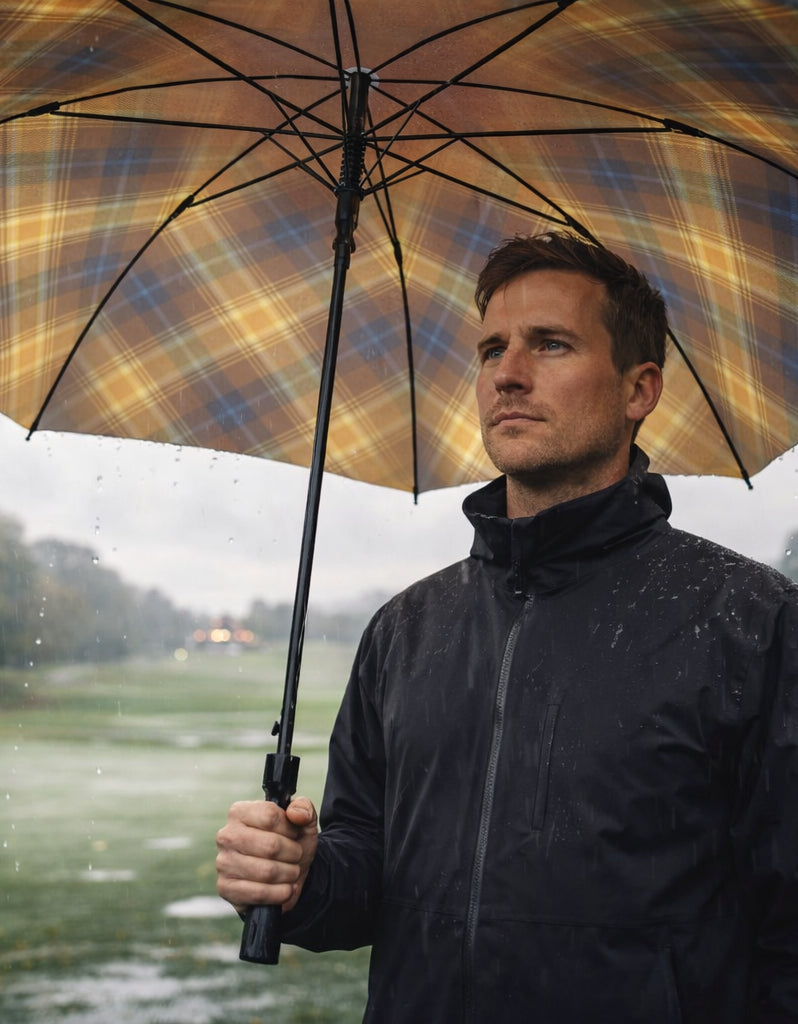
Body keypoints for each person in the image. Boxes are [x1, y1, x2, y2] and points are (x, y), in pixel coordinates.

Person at [215, 231, 798, 1022]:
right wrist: (304, 874)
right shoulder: (404, 632)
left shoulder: (751, 623)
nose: (507, 376)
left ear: (640, 389)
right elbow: (366, 878)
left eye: (550, 344)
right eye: (491, 350)